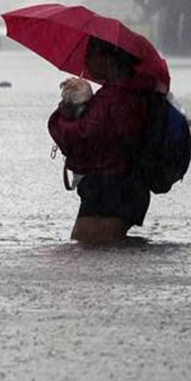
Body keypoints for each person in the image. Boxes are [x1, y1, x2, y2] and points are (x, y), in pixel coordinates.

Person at [48, 37, 152, 245]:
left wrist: (63, 112)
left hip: (111, 187)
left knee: (89, 245)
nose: (85, 62)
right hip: (125, 184)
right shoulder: (130, 91)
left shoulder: (114, 97)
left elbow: (80, 135)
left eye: (89, 56)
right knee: (102, 247)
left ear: (107, 59)